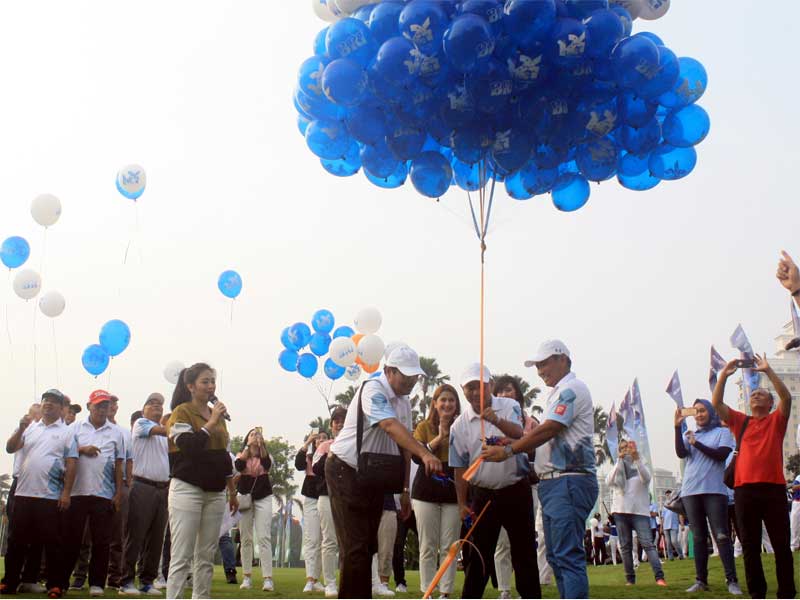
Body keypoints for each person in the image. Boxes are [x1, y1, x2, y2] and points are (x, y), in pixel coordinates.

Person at [325, 345, 442, 599]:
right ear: (389, 371)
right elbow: (389, 424)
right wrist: (425, 454)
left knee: (368, 545)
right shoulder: (373, 389)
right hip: (344, 469)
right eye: (405, 375)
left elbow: (405, 446)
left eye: (414, 376)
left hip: (373, 475)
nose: (411, 381)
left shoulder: (404, 402)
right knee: (356, 546)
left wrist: (405, 490)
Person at [483, 340, 597, 599]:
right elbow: (545, 439)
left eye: (544, 363)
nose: (540, 371)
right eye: (537, 366)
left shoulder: (572, 389)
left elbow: (549, 429)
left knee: (566, 555)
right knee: (555, 556)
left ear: (563, 359)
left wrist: (509, 451)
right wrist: (511, 442)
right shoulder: (558, 393)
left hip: (568, 481)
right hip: (554, 483)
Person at [450, 362, 539, 599]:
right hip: (483, 494)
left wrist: (496, 420)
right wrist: (462, 503)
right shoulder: (459, 425)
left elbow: (520, 434)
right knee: (479, 555)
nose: (475, 392)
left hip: (515, 489)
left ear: (490, 385)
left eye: (480, 386)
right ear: (463, 389)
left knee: (524, 552)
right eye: (469, 387)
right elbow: (459, 467)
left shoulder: (510, 406)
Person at [712, 350, 796, 598]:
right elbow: (717, 404)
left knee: (781, 545)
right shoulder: (741, 422)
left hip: (773, 490)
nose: (756, 395)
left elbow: (786, 397)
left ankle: (786, 592)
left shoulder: (776, 421)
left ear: (770, 404)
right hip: (745, 491)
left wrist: (768, 370)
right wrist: (724, 376)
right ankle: (757, 593)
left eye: (762, 394)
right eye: (753, 394)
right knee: (749, 546)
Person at [166, 363, 237, 600]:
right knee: (182, 555)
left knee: (205, 556)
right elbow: (189, 447)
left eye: (212, 381)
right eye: (205, 381)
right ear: (190, 386)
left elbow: (224, 456)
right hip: (188, 489)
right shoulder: (182, 412)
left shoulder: (218, 417)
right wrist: (211, 422)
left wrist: (232, 492)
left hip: (215, 492)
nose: (210, 386)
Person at [1, 389, 76, 599]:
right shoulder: (30, 428)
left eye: (53, 401)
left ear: (61, 408)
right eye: (45, 400)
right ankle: (10, 582)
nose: (48, 404)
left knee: (52, 543)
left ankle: (55, 585)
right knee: (16, 541)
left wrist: (66, 493)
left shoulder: (67, 432)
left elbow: (71, 463)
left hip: (49, 496)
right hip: (23, 493)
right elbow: (10, 448)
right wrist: (21, 428)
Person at [673, 400, 741, 594]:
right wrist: (677, 428)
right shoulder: (690, 434)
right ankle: (701, 580)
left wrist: (697, 444)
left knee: (721, 535)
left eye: (703, 410)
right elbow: (681, 453)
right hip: (690, 491)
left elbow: (721, 455)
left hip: (714, 491)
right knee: (699, 537)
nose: (699, 414)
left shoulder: (722, 432)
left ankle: (732, 580)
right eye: (696, 411)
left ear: (711, 412)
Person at [63, 390, 124, 598]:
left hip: (103, 494)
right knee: (72, 539)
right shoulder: (75, 427)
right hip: (77, 492)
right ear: (89, 406)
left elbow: (119, 463)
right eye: (98, 405)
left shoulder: (116, 432)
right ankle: (62, 580)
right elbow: (64, 452)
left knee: (101, 542)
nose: (101, 409)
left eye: (105, 405)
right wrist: (82, 449)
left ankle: (97, 583)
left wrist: (118, 493)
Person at [491, 375, 540, 599]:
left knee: (524, 542)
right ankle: (504, 588)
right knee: (502, 542)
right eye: (500, 391)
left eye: (509, 390)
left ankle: (526, 590)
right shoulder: (490, 423)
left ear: (518, 394)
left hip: (525, 485)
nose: (504, 395)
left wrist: (516, 444)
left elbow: (535, 448)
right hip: (498, 485)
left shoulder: (530, 422)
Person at [411, 383, 461, 599]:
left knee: (450, 546)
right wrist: (440, 437)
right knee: (428, 545)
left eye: (451, 400)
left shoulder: (463, 426)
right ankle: (428, 591)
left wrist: (451, 433)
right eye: (443, 400)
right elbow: (416, 456)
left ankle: (445, 592)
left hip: (454, 491)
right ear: (435, 403)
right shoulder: (423, 426)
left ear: (456, 404)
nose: (447, 404)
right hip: (425, 491)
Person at [120, 394, 170, 596]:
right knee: (136, 535)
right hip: (142, 485)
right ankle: (126, 581)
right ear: (143, 410)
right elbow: (165, 431)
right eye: (152, 403)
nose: (157, 406)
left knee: (156, 538)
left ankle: (147, 581)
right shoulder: (141, 424)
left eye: (160, 404)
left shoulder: (164, 433)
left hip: (162, 488)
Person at [605, 438, 666, 586]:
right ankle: (630, 579)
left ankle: (659, 577)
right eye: (622, 448)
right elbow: (609, 481)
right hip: (620, 511)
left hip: (639, 512)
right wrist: (619, 461)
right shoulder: (617, 467)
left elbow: (646, 478)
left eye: (628, 447)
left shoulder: (641, 463)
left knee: (648, 544)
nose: (625, 450)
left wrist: (636, 458)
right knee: (625, 547)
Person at [312, 406, 347, 598]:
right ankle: (330, 583)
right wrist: (331, 454)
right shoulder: (324, 446)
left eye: (343, 421)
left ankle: (347, 581)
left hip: (348, 497)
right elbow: (316, 469)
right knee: (329, 540)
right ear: (331, 425)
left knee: (349, 542)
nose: (340, 424)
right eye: (336, 421)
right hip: (326, 496)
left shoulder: (355, 444)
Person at [235, 427, 274, 592]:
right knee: (245, 538)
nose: (255, 436)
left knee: (264, 537)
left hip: (263, 497)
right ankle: (246, 576)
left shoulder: (265, 455)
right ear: (247, 439)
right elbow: (239, 466)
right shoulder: (241, 454)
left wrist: (261, 445)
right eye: (252, 434)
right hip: (245, 498)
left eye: (258, 434)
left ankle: (268, 578)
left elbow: (267, 465)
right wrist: (247, 447)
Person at [106, 395, 133, 590]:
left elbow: (129, 459)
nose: (111, 406)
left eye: (114, 403)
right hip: (94, 485)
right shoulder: (85, 429)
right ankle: (81, 575)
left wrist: (128, 483)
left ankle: (114, 577)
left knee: (118, 534)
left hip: (120, 485)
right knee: (87, 535)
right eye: (108, 403)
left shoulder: (124, 432)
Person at [295, 430, 325, 594]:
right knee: (312, 539)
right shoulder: (308, 457)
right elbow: (298, 464)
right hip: (311, 498)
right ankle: (310, 579)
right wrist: (307, 443)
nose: (321, 440)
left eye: (324, 438)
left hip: (326, 498)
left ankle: (316, 579)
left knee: (324, 541)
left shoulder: (331, 457)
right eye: (318, 438)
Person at [371, 494, 398, 597]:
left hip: (388, 504)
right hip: (365, 504)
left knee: (387, 549)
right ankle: (372, 583)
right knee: (366, 549)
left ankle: (383, 584)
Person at [661, 491, 683, 560]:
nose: (668, 496)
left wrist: (682, 524)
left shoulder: (675, 503)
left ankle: (680, 554)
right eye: (666, 495)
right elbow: (663, 517)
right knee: (668, 543)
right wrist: (661, 527)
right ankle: (670, 557)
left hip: (674, 525)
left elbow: (680, 514)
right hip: (665, 526)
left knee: (674, 541)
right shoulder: (664, 505)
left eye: (669, 494)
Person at [790, 473, 800, 552]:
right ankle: (794, 545)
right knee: (794, 525)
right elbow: (793, 488)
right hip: (797, 502)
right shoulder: (799, 477)